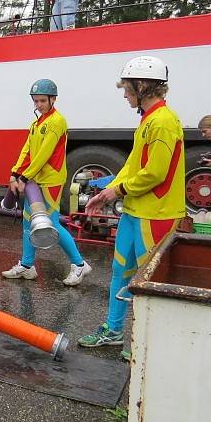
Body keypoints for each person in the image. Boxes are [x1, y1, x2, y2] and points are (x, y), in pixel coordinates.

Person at [79, 56, 185, 349]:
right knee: (121, 272)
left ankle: (146, 344)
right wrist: (107, 192)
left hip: (156, 214)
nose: (125, 95)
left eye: (127, 89)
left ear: (142, 86)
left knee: (150, 282)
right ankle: (114, 331)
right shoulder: (148, 120)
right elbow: (133, 165)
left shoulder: (163, 121)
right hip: (136, 211)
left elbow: (155, 172)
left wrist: (116, 192)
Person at [1, 79, 92, 286]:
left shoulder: (57, 121)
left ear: (53, 99)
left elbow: (44, 154)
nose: (38, 105)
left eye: (42, 100)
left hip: (50, 181)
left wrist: (24, 177)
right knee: (27, 221)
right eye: (35, 101)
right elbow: (27, 150)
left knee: (49, 223)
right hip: (35, 180)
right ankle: (27, 266)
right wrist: (15, 172)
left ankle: (79, 265)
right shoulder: (37, 123)